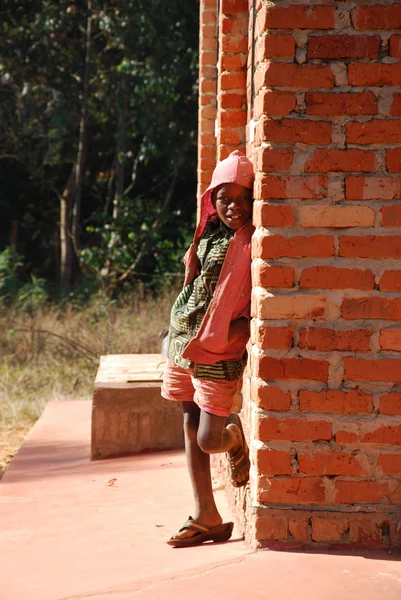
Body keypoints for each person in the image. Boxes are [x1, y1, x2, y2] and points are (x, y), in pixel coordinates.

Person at [161, 150, 254, 548]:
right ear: (211, 200)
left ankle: (233, 438)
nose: (233, 205)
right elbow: (196, 285)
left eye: (242, 197)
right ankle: (206, 516)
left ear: (255, 198)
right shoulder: (211, 231)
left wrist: (238, 327)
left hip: (218, 349)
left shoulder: (253, 239)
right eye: (224, 197)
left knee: (209, 437)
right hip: (184, 341)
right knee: (187, 418)